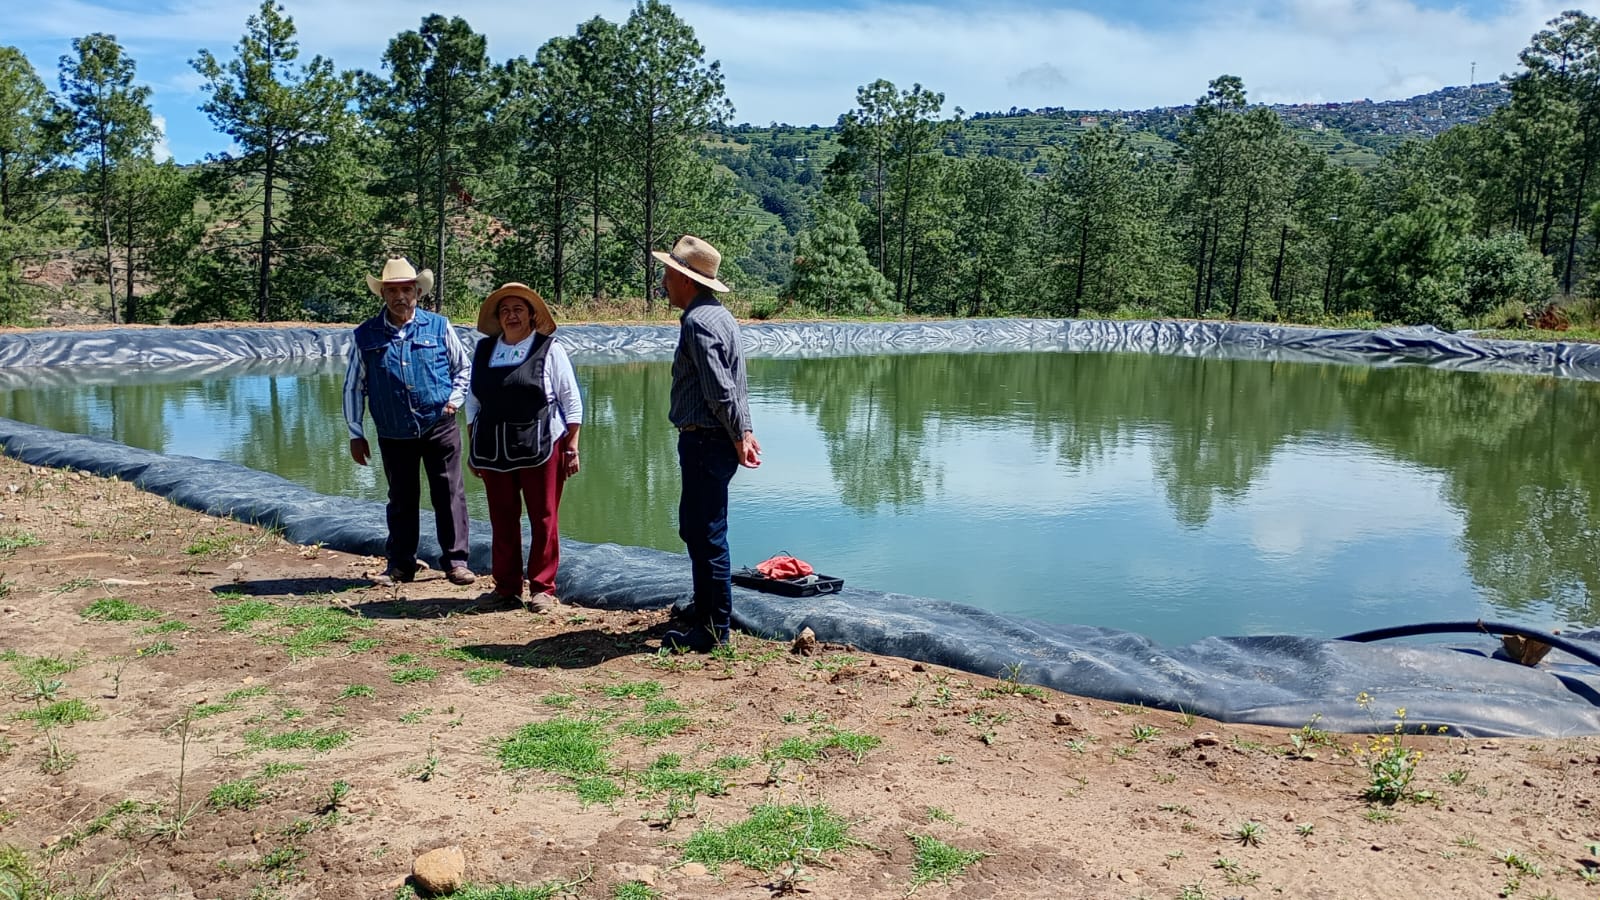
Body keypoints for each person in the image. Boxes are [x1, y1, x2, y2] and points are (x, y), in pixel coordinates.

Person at [343, 256, 476, 588]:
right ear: (383, 294)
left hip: (439, 425)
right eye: (392, 290)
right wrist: (356, 432)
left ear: (417, 291)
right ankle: (401, 565)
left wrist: (454, 401)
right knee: (401, 499)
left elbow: (463, 368)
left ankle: (456, 562)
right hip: (393, 431)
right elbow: (353, 386)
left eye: (406, 289)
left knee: (449, 494)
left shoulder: (439, 326)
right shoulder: (365, 335)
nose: (400, 296)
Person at [656, 236, 762, 652]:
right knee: (698, 528)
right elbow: (737, 384)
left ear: (686, 280)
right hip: (714, 439)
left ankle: (713, 630)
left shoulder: (698, 322)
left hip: (705, 440)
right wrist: (744, 431)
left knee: (706, 534)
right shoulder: (720, 316)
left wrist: (738, 435)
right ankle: (708, 614)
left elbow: (720, 390)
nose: (664, 281)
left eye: (669, 274)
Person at [466, 283, 583, 614]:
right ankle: (506, 587)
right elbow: (473, 402)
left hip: (542, 446)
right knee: (501, 518)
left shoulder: (549, 349)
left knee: (544, 517)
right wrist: (473, 445)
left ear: (532, 315)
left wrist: (572, 446)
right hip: (493, 449)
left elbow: (571, 400)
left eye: (518, 309)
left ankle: (542, 588)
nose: (511, 316)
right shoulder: (484, 350)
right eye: (505, 310)